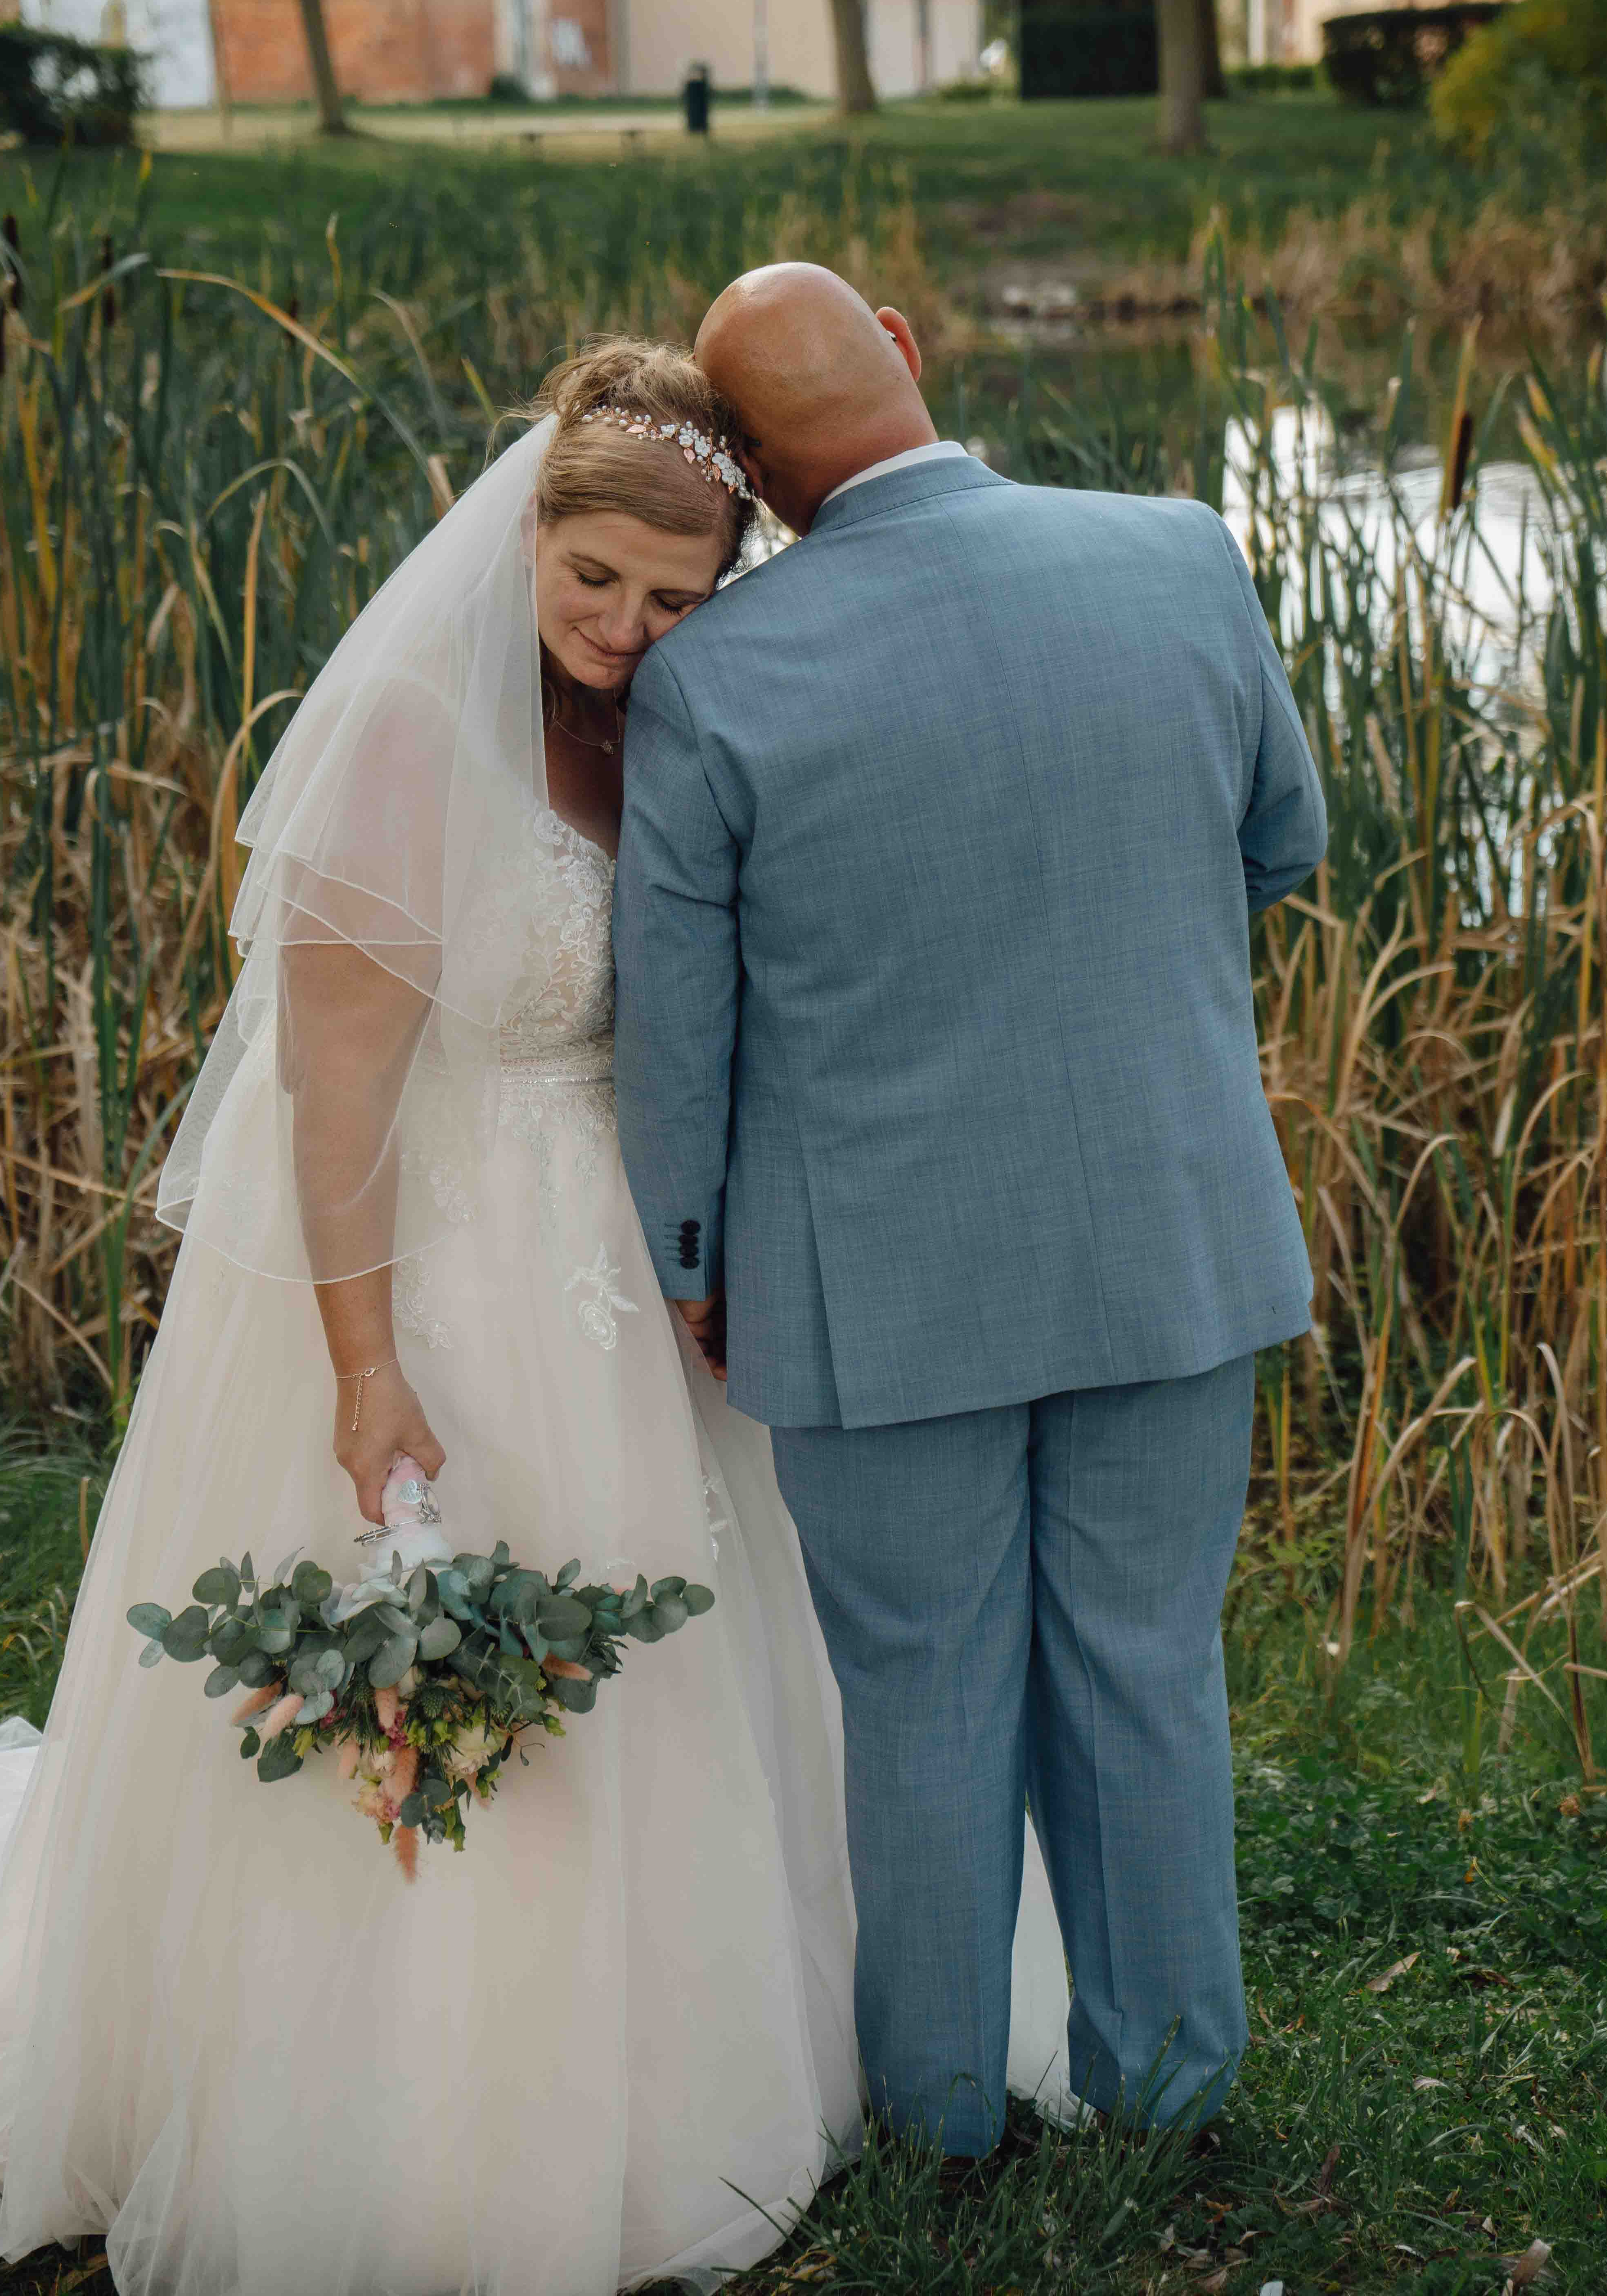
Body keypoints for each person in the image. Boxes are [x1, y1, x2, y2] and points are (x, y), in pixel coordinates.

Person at [0, 338, 1072, 2296]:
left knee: (698, 1657)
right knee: (453, 1641)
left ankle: (736, 2043)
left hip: (634, 1277)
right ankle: (409, 2106)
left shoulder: (661, 727)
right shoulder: (417, 742)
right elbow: (329, 1106)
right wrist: (362, 1366)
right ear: (529, 531)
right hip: (434, 1274)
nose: (624, 627)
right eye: (594, 578)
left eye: (674, 600)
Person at [614, 263, 1327, 2157]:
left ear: (755, 481)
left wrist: (692, 1258)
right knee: (1146, 1667)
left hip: (872, 1282)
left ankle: (939, 2125)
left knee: (923, 1695)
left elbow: (681, 1033)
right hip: (1168, 1235)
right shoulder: (1179, 552)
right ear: (910, 359)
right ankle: (1170, 2095)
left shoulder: (709, 676)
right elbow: (1284, 839)